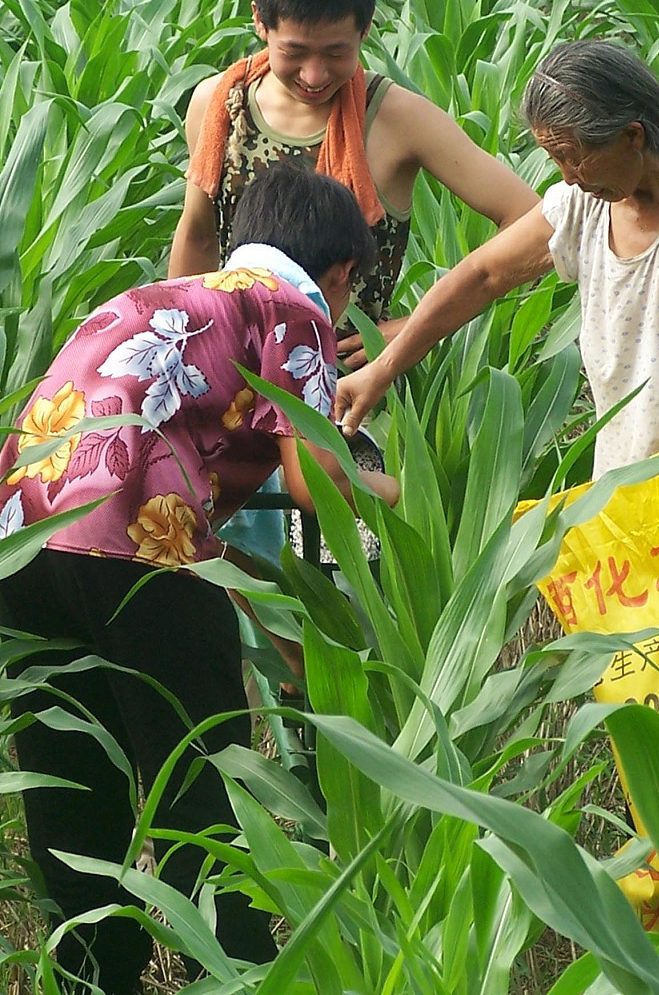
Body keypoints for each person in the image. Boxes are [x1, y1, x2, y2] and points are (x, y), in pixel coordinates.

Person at [0, 163, 398, 995]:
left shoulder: (154, 296)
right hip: (143, 556)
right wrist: (425, 498)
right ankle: (236, 976)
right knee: (200, 794)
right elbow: (313, 479)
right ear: (341, 274)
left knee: (73, 792)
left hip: (23, 549)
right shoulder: (293, 307)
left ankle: (86, 977)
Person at [335, 38, 659, 598]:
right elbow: (483, 276)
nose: (564, 176)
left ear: (633, 136)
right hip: (643, 504)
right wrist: (383, 367)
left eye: (572, 155)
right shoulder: (581, 203)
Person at [168, 0, 539, 367]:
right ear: (259, 22)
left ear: (365, 29)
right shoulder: (218, 105)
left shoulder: (397, 119)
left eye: (335, 53)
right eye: (296, 52)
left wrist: (416, 324)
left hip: (348, 386)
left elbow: (536, 222)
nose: (314, 74)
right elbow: (198, 237)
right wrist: (183, 350)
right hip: (235, 369)